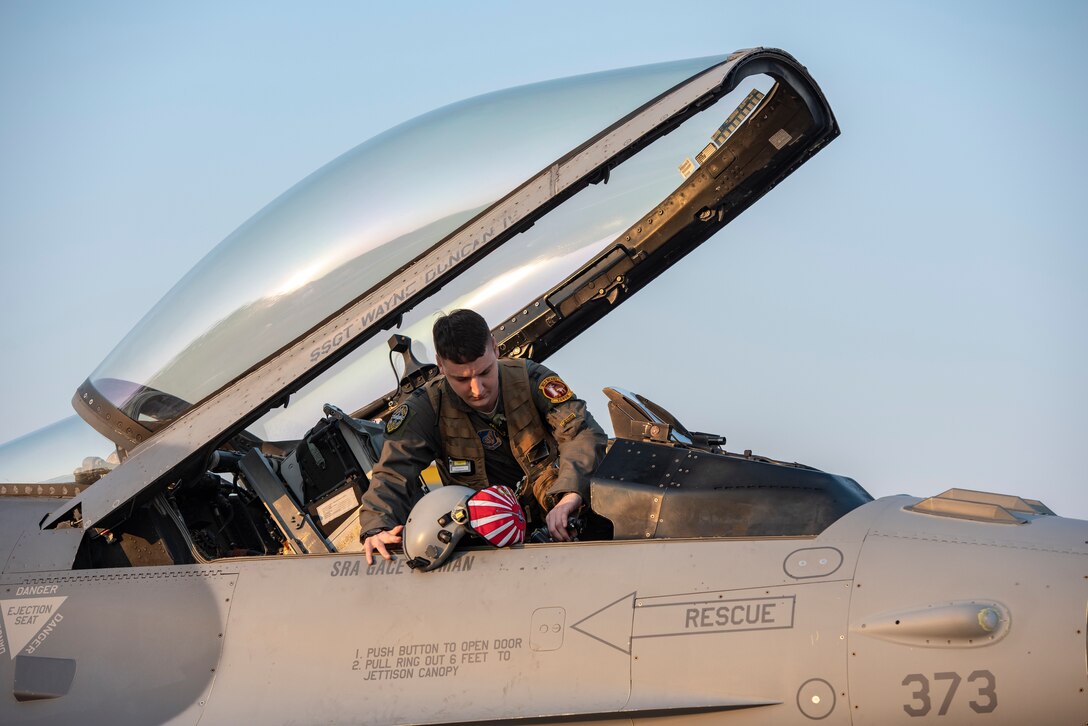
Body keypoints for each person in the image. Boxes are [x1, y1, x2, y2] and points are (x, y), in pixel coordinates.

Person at [359, 309, 607, 564]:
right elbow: (393, 472)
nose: (477, 389)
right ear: (440, 365)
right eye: (462, 379)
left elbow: (581, 433)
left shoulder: (530, 378)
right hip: (488, 547)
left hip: (562, 519)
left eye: (485, 372)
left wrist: (570, 495)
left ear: (495, 349)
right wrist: (376, 526)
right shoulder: (426, 408)